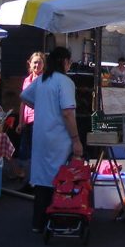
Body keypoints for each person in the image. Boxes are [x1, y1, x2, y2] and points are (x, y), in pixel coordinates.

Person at [20, 46, 82, 233]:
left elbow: (24, 96)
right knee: (60, 178)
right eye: (69, 61)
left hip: (41, 136)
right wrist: (76, 139)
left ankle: (38, 222)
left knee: (42, 179)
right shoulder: (65, 82)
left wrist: (42, 107)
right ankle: (59, 220)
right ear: (64, 62)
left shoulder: (42, 81)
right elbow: (68, 113)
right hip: (59, 138)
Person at [14, 52, 44, 183]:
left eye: (40, 62)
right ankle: (23, 175)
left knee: (35, 149)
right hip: (26, 120)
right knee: (24, 148)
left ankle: (33, 177)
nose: (37, 65)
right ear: (30, 64)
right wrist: (20, 122)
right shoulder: (27, 80)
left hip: (38, 120)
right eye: (35, 62)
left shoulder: (44, 80)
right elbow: (22, 102)